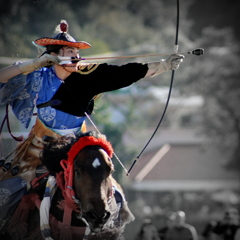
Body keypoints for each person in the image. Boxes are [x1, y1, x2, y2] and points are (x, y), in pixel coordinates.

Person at [0, 20, 184, 225]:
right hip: (40, 146)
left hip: (75, 146)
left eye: (76, 53)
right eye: (70, 52)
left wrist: (163, 65)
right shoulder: (37, 75)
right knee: (11, 188)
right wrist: (34, 64)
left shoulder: (86, 75)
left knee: (106, 184)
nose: (76, 57)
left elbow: (123, 74)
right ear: (53, 55)